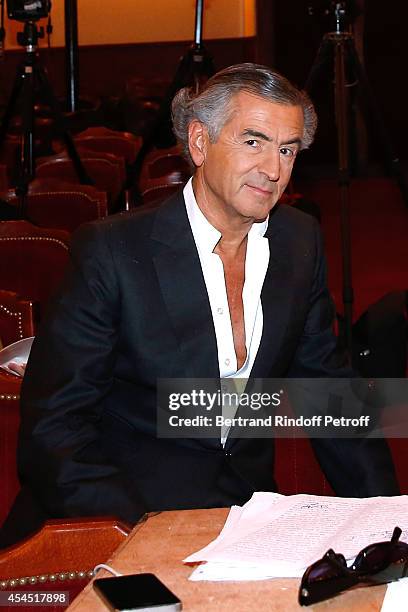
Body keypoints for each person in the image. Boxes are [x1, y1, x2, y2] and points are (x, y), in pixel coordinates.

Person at [1, 63, 398, 547]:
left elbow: (328, 393)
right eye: (253, 141)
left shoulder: (299, 241)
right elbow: (54, 430)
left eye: (287, 149)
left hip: (244, 518)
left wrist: (388, 521)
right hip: (122, 517)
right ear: (199, 143)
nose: (274, 170)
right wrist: (151, 535)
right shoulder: (113, 251)